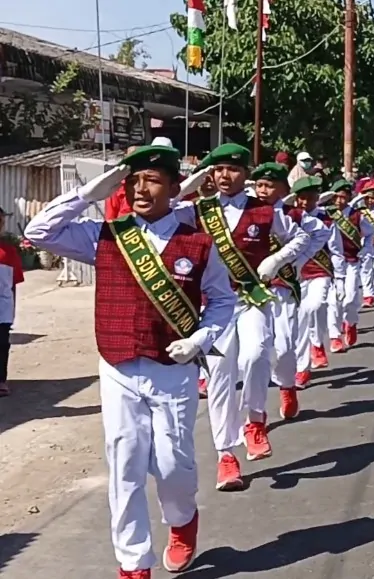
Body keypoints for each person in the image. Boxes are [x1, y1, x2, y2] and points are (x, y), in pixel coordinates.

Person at [24, 145, 235, 578]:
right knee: (126, 464)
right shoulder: (104, 234)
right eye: (133, 179)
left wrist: (200, 339)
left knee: (174, 463)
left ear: (174, 189)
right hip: (118, 365)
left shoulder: (197, 243)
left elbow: (222, 301)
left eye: (152, 179)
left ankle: (182, 521)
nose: (140, 187)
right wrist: (85, 194)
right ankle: (133, 562)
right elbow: (39, 231)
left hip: (172, 370)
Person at [176, 143, 311, 491]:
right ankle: (226, 454)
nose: (224, 175)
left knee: (254, 354)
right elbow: (167, 208)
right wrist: (194, 181)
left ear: (245, 174)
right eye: (218, 169)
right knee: (220, 374)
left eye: (232, 169)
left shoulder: (266, 212)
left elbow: (300, 237)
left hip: (252, 299)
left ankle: (254, 420)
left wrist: (277, 260)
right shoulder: (198, 211)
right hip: (213, 305)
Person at [248, 165, 330, 406]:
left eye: (269, 186)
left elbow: (321, 234)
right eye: (259, 185)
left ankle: (287, 385)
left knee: (284, 345)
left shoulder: (292, 214)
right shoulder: (245, 211)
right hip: (248, 287)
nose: (263, 191)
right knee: (254, 351)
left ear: (283, 190)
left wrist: (299, 261)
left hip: (282, 285)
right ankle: (254, 411)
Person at [289, 177, 349, 385]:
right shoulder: (289, 217)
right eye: (301, 198)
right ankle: (302, 365)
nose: (305, 203)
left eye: (310, 198)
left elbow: (336, 251)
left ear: (317, 198)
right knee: (297, 321)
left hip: (319, 272)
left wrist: (340, 278)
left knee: (313, 307)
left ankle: (316, 344)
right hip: (293, 277)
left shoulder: (327, 220)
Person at [320, 180, 373, 353]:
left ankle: (351, 322)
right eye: (336, 197)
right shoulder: (327, 214)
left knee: (350, 297)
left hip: (351, 262)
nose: (339, 201)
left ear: (349, 197)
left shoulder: (357, 216)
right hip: (331, 264)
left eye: (343, 197)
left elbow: (370, 234)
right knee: (333, 301)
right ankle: (334, 336)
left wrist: (365, 249)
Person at [0, 208, 23, 397]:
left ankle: (1, 380)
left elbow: (13, 283)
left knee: (1, 344)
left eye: (1, 221)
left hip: (3, 307)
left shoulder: (8, 251)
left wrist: (12, 309)